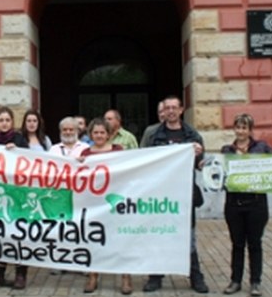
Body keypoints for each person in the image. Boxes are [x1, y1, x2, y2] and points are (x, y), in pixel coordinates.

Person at [142, 95, 209, 294]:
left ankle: (195, 276)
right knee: (159, 234)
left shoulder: (192, 135)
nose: (171, 111)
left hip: (185, 194)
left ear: (181, 110)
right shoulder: (154, 135)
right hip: (160, 195)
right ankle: (155, 276)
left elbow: (201, 164)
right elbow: (143, 160)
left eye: (174, 108)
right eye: (167, 108)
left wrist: (200, 155)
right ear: (164, 110)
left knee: (188, 237)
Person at [221, 113, 272, 297]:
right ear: (234, 129)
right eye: (238, 127)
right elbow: (221, 175)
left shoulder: (262, 148)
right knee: (237, 244)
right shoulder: (227, 150)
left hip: (256, 204)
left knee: (255, 243)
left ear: (250, 130)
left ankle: (255, 282)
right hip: (234, 204)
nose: (241, 131)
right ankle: (235, 280)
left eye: (244, 127)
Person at [80, 118, 131, 294]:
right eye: (96, 132)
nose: (99, 135)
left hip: (114, 202)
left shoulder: (118, 151)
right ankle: (93, 275)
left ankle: (125, 276)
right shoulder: (85, 154)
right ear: (90, 134)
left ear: (109, 134)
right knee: (94, 239)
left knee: (120, 240)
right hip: (93, 203)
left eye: (102, 132)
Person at [0, 106, 29, 289]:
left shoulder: (20, 139)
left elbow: (30, 162)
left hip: (17, 195)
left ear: (12, 122)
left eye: (7, 120)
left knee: (18, 234)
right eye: (1, 120)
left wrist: (18, 151)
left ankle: (20, 274)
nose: (4, 123)